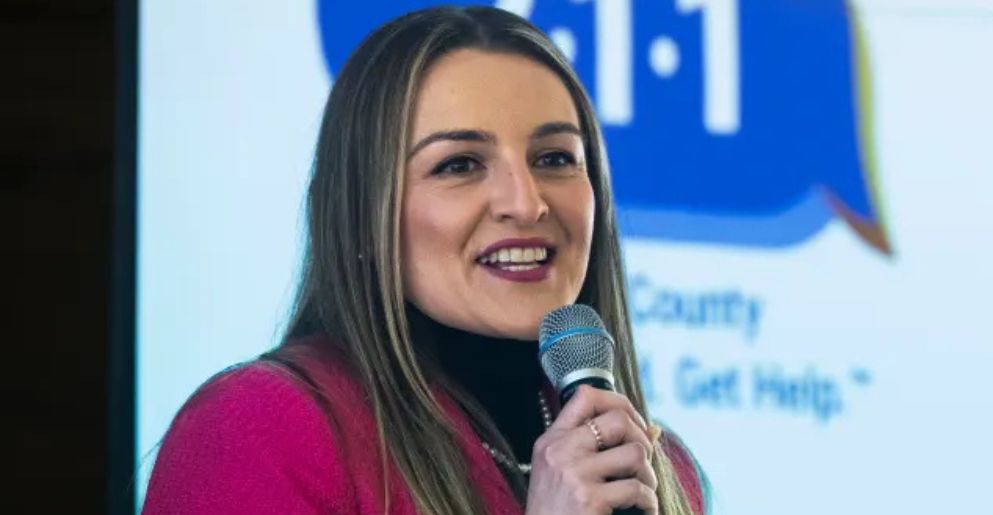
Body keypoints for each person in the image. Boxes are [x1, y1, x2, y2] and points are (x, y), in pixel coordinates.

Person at [142, 5, 707, 515]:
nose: (527, 203)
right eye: (459, 164)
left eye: (556, 157)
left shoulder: (657, 471)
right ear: (363, 215)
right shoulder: (260, 429)